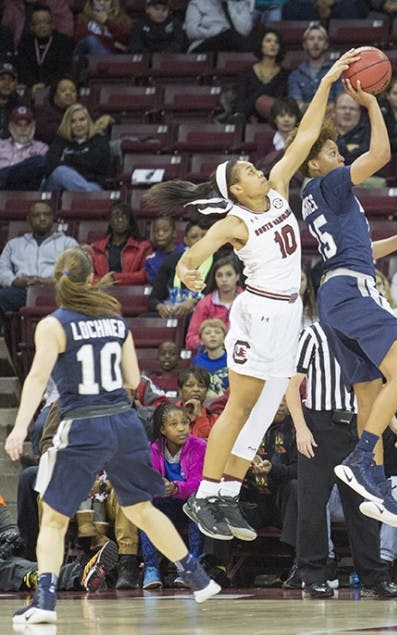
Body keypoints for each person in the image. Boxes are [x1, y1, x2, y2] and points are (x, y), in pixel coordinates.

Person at [142, 50, 361, 543]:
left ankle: (226, 494)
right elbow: (194, 254)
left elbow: (306, 133)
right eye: (248, 171)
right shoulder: (235, 221)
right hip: (257, 313)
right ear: (237, 190)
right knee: (240, 405)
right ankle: (203, 496)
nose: (258, 171)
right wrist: (188, 271)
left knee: (264, 412)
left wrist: (326, 81)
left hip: (288, 315)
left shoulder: (279, 186)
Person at [3, 247, 220, 624]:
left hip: (83, 423)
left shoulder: (53, 325)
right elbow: (134, 380)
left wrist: (20, 428)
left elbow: (36, 379)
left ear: (58, 282)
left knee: (53, 518)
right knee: (142, 509)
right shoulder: (115, 321)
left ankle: (45, 603)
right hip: (123, 422)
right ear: (92, 279)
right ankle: (199, 579)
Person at [295, 59, 397, 529]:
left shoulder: (317, 198)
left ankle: (373, 482)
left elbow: (359, 250)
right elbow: (379, 156)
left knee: (369, 394)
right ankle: (361, 459)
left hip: (335, 294)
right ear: (313, 162)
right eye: (333, 151)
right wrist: (374, 105)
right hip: (353, 290)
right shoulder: (329, 184)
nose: (341, 157)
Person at [284, 321, 397, 598]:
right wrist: (301, 428)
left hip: (358, 425)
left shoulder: (363, 333)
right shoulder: (313, 333)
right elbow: (292, 386)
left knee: (363, 504)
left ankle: (375, 577)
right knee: (313, 504)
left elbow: (373, 389)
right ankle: (313, 576)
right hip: (319, 425)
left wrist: (391, 420)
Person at [141, 403, 207, 589]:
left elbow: (197, 483)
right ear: (162, 429)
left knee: (197, 506)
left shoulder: (199, 447)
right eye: (174, 424)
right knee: (146, 510)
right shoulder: (152, 448)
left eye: (184, 423)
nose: (181, 428)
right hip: (166, 503)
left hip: (190, 503)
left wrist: (176, 488)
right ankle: (151, 568)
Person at [0, 201, 77, 323]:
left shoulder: (68, 243)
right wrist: (14, 281)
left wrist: (50, 281)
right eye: (37, 215)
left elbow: (76, 270)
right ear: (29, 219)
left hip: (55, 291)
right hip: (23, 291)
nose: (42, 218)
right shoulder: (14, 244)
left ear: (52, 217)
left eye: (47, 214)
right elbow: (2, 268)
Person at [43, 103, 111, 192]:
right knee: (60, 171)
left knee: (91, 188)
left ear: (89, 121)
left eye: (82, 120)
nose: (78, 124)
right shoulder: (60, 141)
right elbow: (51, 163)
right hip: (59, 187)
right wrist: (83, 161)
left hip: (92, 183)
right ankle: (86, 194)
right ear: (67, 124)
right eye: (73, 121)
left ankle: (84, 193)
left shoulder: (99, 140)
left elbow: (97, 163)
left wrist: (67, 158)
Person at [148, 221, 207, 319]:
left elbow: (221, 297)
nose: (200, 241)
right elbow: (153, 299)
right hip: (172, 312)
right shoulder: (171, 260)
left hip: (204, 315)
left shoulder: (219, 262)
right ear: (186, 241)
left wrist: (194, 302)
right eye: (194, 237)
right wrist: (160, 307)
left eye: (204, 236)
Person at [183, 253, 242, 351]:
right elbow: (190, 339)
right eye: (219, 275)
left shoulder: (248, 302)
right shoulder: (204, 304)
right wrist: (211, 343)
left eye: (229, 274)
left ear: (237, 276)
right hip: (211, 353)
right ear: (214, 278)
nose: (224, 279)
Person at [230, 29, 288, 124]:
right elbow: (240, 99)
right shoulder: (246, 72)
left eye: (276, 42)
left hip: (276, 121)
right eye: (268, 41)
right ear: (260, 45)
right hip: (248, 120)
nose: (273, 44)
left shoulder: (285, 75)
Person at [88, 203, 153, 287]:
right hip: (102, 291)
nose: (120, 219)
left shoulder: (143, 247)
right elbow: (88, 276)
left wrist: (114, 278)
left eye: (124, 216)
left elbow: (144, 275)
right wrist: (102, 281)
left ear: (130, 221)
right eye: (116, 216)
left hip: (132, 293)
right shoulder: (95, 248)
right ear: (110, 220)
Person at [287, 22, 343, 113]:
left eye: (320, 39)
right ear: (305, 45)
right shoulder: (295, 75)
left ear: (326, 44)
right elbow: (296, 105)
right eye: (311, 39)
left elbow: (341, 101)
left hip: (331, 120)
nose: (316, 42)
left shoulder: (336, 72)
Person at [16, 7, 73, 90]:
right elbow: (23, 69)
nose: (42, 26)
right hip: (30, 87)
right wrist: (33, 84)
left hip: (55, 86)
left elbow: (64, 70)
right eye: (37, 23)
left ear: (53, 25)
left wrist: (45, 84)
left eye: (46, 22)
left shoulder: (63, 42)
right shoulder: (25, 42)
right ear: (31, 27)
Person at [0, 104, 48, 191]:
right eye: (19, 125)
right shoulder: (1, 144)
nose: (23, 128)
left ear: (33, 126)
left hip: (25, 190)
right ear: (10, 127)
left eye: (27, 124)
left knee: (39, 161)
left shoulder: (42, 148)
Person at [184, 0, 252, 53]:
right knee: (229, 36)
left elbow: (244, 31)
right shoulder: (197, 3)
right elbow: (191, 32)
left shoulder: (241, 4)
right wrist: (217, 31)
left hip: (233, 43)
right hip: (203, 44)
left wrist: (229, 6)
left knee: (232, 36)